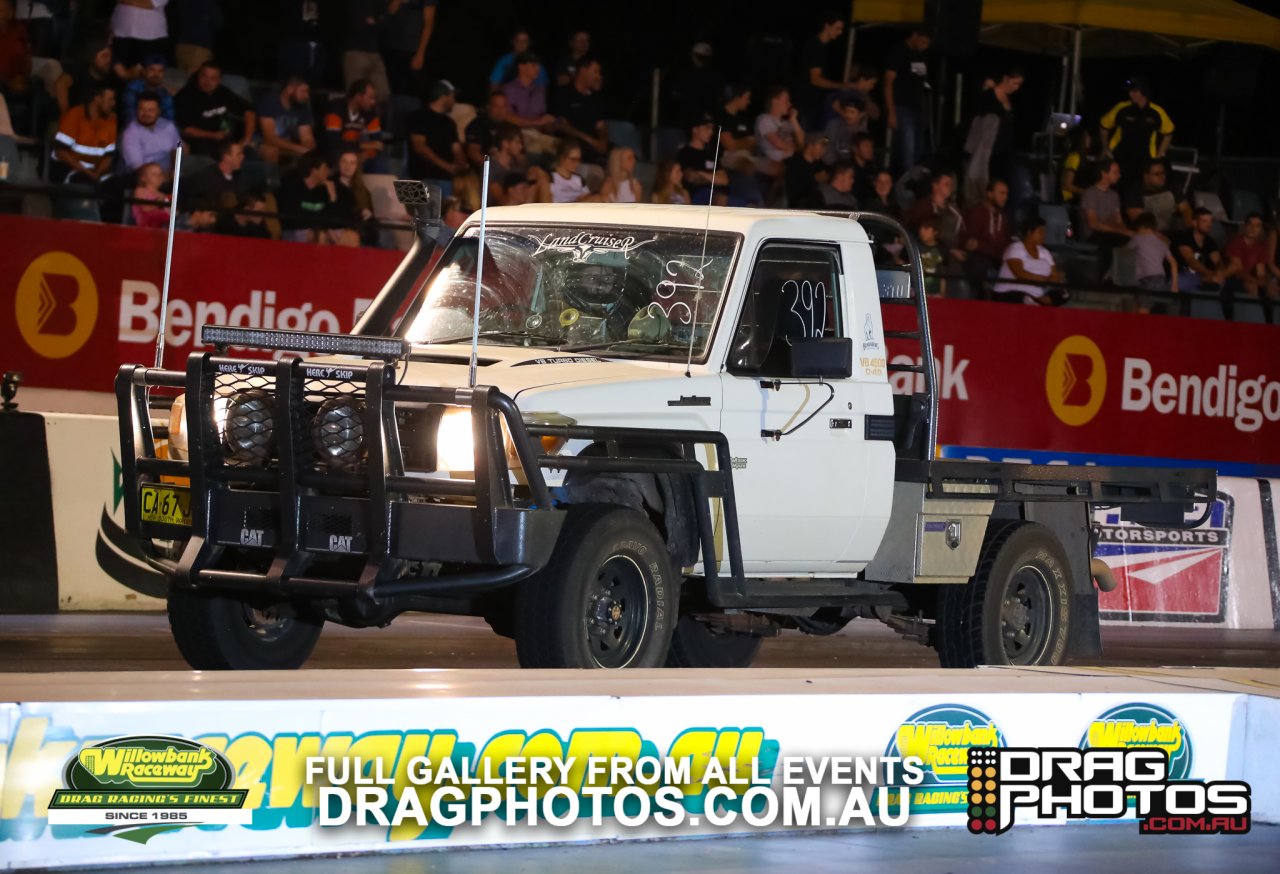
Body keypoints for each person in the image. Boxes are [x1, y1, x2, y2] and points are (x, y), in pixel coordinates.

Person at [963, 68, 1023, 205]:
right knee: (986, 188)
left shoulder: (1009, 99)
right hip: (988, 151)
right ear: (1006, 78)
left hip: (1004, 151)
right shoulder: (989, 96)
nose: (1016, 88)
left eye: (1019, 84)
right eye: (1015, 83)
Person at [1100, 77, 1174, 183]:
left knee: (1139, 190)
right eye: (1129, 91)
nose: (1131, 94)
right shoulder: (1122, 108)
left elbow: (1168, 132)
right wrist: (1105, 148)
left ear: (1144, 91)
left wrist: (1159, 154)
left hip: (1145, 159)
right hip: (1120, 157)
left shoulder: (1156, 111)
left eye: (1134, 91)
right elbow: (1104, 126)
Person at [175, 61, 254, 158]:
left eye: (213, 78)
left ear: (219, 80)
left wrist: (247, 138)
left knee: (249, 153)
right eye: (204, 76)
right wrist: (213, 135)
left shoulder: (223, 92)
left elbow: (249, 111)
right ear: (198, 76)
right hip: (201, 141)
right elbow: (186, 129)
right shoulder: (186, 96)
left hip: (227, 139)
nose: (207, 81)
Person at [883, 27, 932, 172]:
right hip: (902, 107)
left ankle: (915, 182)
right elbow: (888, 83)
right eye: (923, 42)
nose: (925, 46)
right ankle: (905, 185)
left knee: (919, 150)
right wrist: (891, 112)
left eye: (927, 44)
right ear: (915, 35)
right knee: (907, 151)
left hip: (917, 108)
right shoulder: (899, 52)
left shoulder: (921, 56)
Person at [50, 82, 116, 184]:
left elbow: (109, 156)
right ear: (97, 99)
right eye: (110, 99)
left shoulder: (111, 120)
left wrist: (97, 174)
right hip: (68, 168)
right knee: (84, 181)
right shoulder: (74, 115)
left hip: (94, 170)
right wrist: (89, 173)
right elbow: (61, 152)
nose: (113, 104)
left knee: (115, 185)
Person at [993, 214, 1066, 305]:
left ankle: (1040, 301)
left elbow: (1055, 276)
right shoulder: (1015, 248)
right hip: (1012, 292)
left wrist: (1050, 281)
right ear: (1029, 232)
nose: (1043, 235)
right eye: (1040, 232)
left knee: (1064, 294)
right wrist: (1042, 280)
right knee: (1023, 298)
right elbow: (1020, 273)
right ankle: (1036, 301)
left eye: (1044, 232)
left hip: (1038, 294)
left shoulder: (1045, 253)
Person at [795, 9, 852, 123]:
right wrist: (840, 86)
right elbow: (815, 80)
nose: (840, 32)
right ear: (827, 26)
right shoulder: (815, 46)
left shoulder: (823, 47)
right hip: (807, 105)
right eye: (837, 28)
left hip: (814, 104)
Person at [959, 179, 1011, 292]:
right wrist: (989, 248)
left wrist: (982, 246)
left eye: (1006, 194)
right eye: (1001, 193)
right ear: (990, 194)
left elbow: (1004, 248)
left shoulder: (1004, 219)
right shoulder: (977, 213)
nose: (1005, 197)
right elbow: (970, 244)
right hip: (979, 264)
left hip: (998, 263)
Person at [554, 56, 607, 165]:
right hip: (573, 141)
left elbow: (601, 125)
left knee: (618, 152)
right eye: (595, 72)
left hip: (593, 143)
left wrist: (603, 141)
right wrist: (591, 141)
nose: (598, 76)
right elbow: (561, 124)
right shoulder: (564, 93)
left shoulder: (594, 97)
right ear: (583, 71)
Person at [276, 150, 336, 243]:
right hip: (292, 231)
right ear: (314, 170)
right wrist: (317, 228)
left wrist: (332, 197)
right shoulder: (292, 184)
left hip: (315, 230)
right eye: (325, 168)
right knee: (320, 236)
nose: (328, 171)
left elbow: (328, 217)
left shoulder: (322, 190)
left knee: (349, 236)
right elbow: (291, 216)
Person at [323, 78, 384, 170]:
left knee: (379, 159)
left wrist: (365, 155)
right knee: (336, 154)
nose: (373, 102)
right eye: (370, 98)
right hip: (335, 153)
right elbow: (333, 142)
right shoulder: (336, 108)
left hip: (357, 153)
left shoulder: (370, 112)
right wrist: (363, 145)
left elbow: (378, 142)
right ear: (358, 96)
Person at [906, 169, 965, 264]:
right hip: (930, 252)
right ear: (935, 185)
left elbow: (961, 231)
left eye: (951, 184)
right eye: (946, 184)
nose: (950, 187)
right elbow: (916, 232)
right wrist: (948, 251)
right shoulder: (923, 207)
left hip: (954, 252)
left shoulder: (954, 211)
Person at [380, 0, 438, 93]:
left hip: (412, 50)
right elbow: (388, 12)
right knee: (389, 90)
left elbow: (428, 24)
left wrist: (420, 53)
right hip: (389, 48)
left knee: (413, 90)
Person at [1122, 158, 1192, 235]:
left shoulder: (1172, 187)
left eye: (1163, 173)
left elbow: (1186, 210)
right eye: (1157, 174)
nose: (1162, 177)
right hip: (1148, 236)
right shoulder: (1134, 193)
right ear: (1145, 176)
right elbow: (1140, 223)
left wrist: (1189, 232)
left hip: (1171, 232)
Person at [256, 77, 316, 165]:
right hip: (261, 143)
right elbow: (269, 138)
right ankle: (272, 179)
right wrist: (298, 148)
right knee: (271, 152)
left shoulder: (302, 108)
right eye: (303, 91)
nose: (306, 96)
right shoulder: (270, 101)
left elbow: (307, 138)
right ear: (290, 89)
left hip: (288, 145)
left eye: (307, 92)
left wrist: (308, 148)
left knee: (310, 155)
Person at [1123, 213, 1178, 309]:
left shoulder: (1137, 239)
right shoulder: (1161, 243)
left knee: (1142, 306)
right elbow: (1174, 263)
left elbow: (1124, 251)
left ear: (1143, 227)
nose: (1137, 231)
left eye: (1138, 228)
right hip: (1161, 280)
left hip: (1147, 279)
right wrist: (1174, 285)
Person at [1224, 213, 1279, 308]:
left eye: (1257, 226)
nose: (1253, 228)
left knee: (1273, 289)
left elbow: (1260, 273)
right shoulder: (1236, 243)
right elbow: (1239, 272)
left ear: (1261, 230)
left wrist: (1266, 283)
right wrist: (1258, 282)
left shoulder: (1260, 247)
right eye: (1250, 224)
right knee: (1251, 286)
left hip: (1249, 279)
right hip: (1231, 280)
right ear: (1245, 226)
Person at [341, 0, 392, 100]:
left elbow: (386, 22)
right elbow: (356, 22)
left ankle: (375, 116)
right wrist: (376, 21)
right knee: (357, 95)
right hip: (355, 50)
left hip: (375, 52)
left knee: (383, 95)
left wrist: (374, 21)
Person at [120, 90, 180, 174]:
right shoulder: (130, 133)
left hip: (169, 175)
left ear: (158, 111)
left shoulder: (168, 126)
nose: (146, 114)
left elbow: (176, 151)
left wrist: (174, 171)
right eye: (142, 109)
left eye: (151, 110)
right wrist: (163, 178)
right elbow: (138, 168)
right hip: (143, 178)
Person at [185, 138, 245, 216]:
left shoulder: (238, 177)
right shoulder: (207, 177)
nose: (243, 157)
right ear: (227, 157)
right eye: (239, 154)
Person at [1078, 159, 1131, 248]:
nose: (1119, 175)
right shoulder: (1090, 193)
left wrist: (1127, 231)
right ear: (1104, 173)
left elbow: (1119, 220)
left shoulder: (1114, 195)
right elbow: (1093, 224)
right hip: (1094, 236)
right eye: (1115, 172)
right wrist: (1119, 231)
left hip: (1112, 233)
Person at [677, 114, 728, 205]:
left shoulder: (712, 154)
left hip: (718, 193)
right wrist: (713, 176)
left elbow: (724, 180)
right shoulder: (685, 153)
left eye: (712, 129)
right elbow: (691, 177)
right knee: (720, 199)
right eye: (707, 128)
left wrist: (701, 173)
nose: (711, 132)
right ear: (695, 129)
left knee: (749, 207)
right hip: (697, 195)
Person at [55, 39, 116, 115]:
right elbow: (61, 84)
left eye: (111, 56)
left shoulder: (113, 76)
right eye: (104, 56)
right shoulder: (79, 70)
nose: (109, 60)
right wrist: (66, 115)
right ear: (93, 57)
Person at [1172, 207, 1225, 292]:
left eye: (1210, 221)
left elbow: (1218, 261)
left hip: (1202, 277)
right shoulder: (1184, 237)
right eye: (1204, 221)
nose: (1208, 225)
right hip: (1183, 275)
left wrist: (1219, 272)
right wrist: (1210, 274)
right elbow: (1191, 261)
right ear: (1195, 223)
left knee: (1221, 283)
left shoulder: (1210, 241)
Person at [755, 86, 803, 177]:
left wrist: (794, 121)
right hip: (774, 163)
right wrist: (797, 148)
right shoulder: (765, 119)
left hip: (791, 161)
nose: (789, 104)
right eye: (786, 100)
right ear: (774, 101)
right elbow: (778, 144)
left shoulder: (787, 123)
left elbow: (801, 142)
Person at [109, 0, 168, 73]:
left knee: (148, 76)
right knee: (119, 74)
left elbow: (150, 3)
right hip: (120, 33)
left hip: (150, 37)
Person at [334, 148, 377, 245]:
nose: (347, 166)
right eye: (344, 162)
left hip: (362, 227)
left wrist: (368, 213)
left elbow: (370, 211)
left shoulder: (361, 189)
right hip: (343, 226)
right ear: (338, 164)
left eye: (352, 163)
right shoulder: (332, 185)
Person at [502, 52, 553, 130]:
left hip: (536, 134)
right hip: (515, 132)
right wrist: (537, 122)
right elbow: (508, 117)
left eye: (539, 65)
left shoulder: (540, 91)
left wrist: (549, 122)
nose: (538, 69)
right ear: (522, 67)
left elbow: (542, 116)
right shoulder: (509, 89)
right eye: (533, 65)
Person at [464, 91, 511, 169]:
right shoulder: (477, 125)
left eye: (503, 106)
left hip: (508, 171)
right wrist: (493, 166)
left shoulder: (510, 128)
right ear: (488, 107)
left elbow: (521, 156)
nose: (500, 110)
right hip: (485, 170)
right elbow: (473, 152)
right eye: (496, 106)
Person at [121, 55, 174, 123]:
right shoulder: (133, 88)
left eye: (160, 71)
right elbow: (130, 117)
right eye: (152, 69)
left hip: (157, 130)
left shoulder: (165, 93)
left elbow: (169, 119)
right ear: (144, 71)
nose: (156, 74)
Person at [173, 0, 219, 73]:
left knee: (182, 79)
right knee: (196, 80)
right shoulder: (207, 2)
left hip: (182, 44)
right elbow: (219, 22)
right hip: (199, 48)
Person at [784, 133, 828, 209]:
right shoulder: (795, 163)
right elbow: (794, 191)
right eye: (822, 147)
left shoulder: (820, 165)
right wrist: (813, 179)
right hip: (799, 207)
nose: (824, 151)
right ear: (810, 145)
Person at [0, 0, 32, 100]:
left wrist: (23, 79)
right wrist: (8, 83)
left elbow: (28, 57)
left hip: (20, 80)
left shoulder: (19, 29)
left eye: (0, 10)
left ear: (10, 13)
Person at [823, 90, 865, 166]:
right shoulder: (833, 125)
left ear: (861, 115)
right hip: (831, 166)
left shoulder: (863, 134)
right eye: (846, 111)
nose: (848, 115)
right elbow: (826, 141)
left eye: (852, 112)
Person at [130, 161, 170, 228]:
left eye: (160, 174)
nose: (158, 177)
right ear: (143, 178)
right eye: (154, 174)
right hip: (144, 224)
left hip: (161, 224)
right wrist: (159, 201)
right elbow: (145, 208)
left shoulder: (163, 195)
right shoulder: (140, 191)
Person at [916, 217, 947, 296]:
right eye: (921, 228)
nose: (922, 231)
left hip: (935, 293)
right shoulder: (915, 247)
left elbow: (943, 274)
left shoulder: (942, 249)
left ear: (935, 232)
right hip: (916, 292)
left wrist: (942, 294)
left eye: (926, 228)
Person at [1060, 127, 1092, 203]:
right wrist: (1084, 192)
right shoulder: (1074, 157)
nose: (1089, 139)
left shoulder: (1081, 157)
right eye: (1086, 136)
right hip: (1070, 200)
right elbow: (1067, 185)